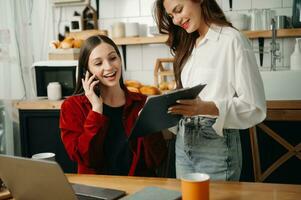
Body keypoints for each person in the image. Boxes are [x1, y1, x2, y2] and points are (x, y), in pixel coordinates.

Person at [154, 0, 266, 181]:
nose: (175, 20)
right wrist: (159, 111)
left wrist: (205, 108)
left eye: (178, 10)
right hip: (183, 143)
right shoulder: (188, 45)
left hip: (216, 146)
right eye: (171, 16)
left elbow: (254, 107)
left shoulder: (232, 40)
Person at [60, 35, 167, 176]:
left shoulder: (141, 102)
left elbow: (157, 160)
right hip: (97, 190)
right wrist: (96, 111)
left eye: (112, 58)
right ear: (87, 71)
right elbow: (85, 158)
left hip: (139, 188)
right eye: (98, 63)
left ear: (120, 59)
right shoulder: (72, 107)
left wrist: (148, 128)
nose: (109, 67)